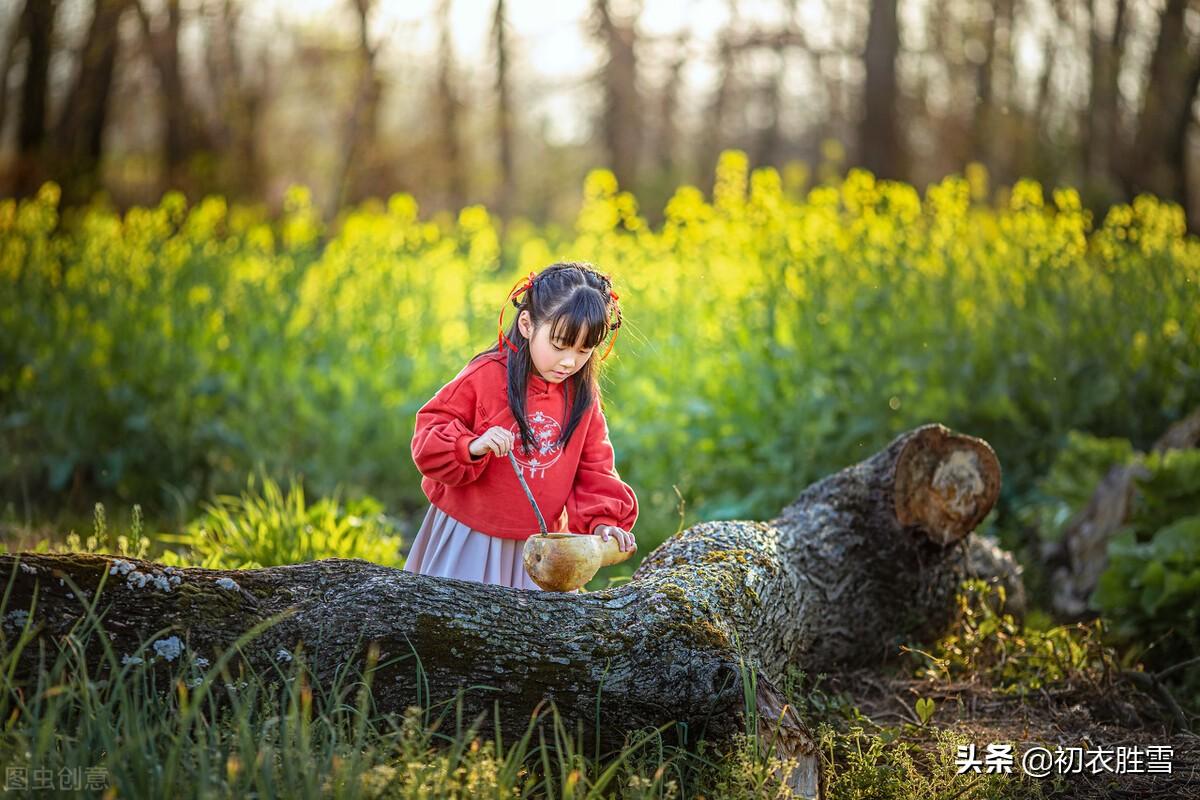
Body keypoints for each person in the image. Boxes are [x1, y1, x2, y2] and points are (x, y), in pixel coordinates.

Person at [405, 262, 638, 590]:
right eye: (559, 345)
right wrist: (472, 445)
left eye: (584, 350)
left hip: (541, 552)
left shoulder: (582, 395)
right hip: (471, 537)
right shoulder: (485, 376)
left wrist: (603, 523)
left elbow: (595, 468)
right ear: (527, 324)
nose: (569, 361)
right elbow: (428, 435)